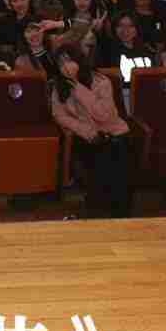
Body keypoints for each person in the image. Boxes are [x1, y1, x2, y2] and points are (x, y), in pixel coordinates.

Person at [47, 43, 133, 217]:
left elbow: (103, 115)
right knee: (94, 161)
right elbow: (59, 115)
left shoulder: (101, 81)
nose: (66, 66)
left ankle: (119, 214)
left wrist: (78, 86)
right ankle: (96, 211)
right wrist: (87, 132)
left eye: (69, 60)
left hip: (114, 134)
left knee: (114, 160)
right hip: (87, 137)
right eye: (61, 62)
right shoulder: (59, 86)